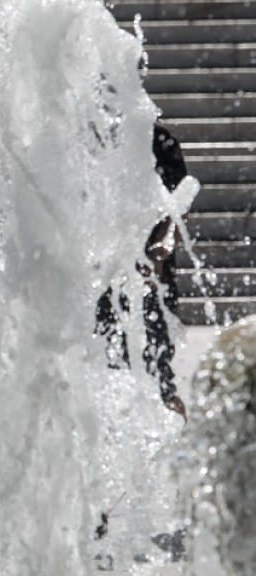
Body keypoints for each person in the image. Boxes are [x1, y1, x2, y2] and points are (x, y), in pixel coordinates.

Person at [96, 123, 188, 419]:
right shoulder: (89, 139)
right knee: (102, 357)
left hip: (151, 267)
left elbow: (180, 202)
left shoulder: (158, 140)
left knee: (158, 359)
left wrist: (160, 249)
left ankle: (171, 423)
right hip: (103, 268)